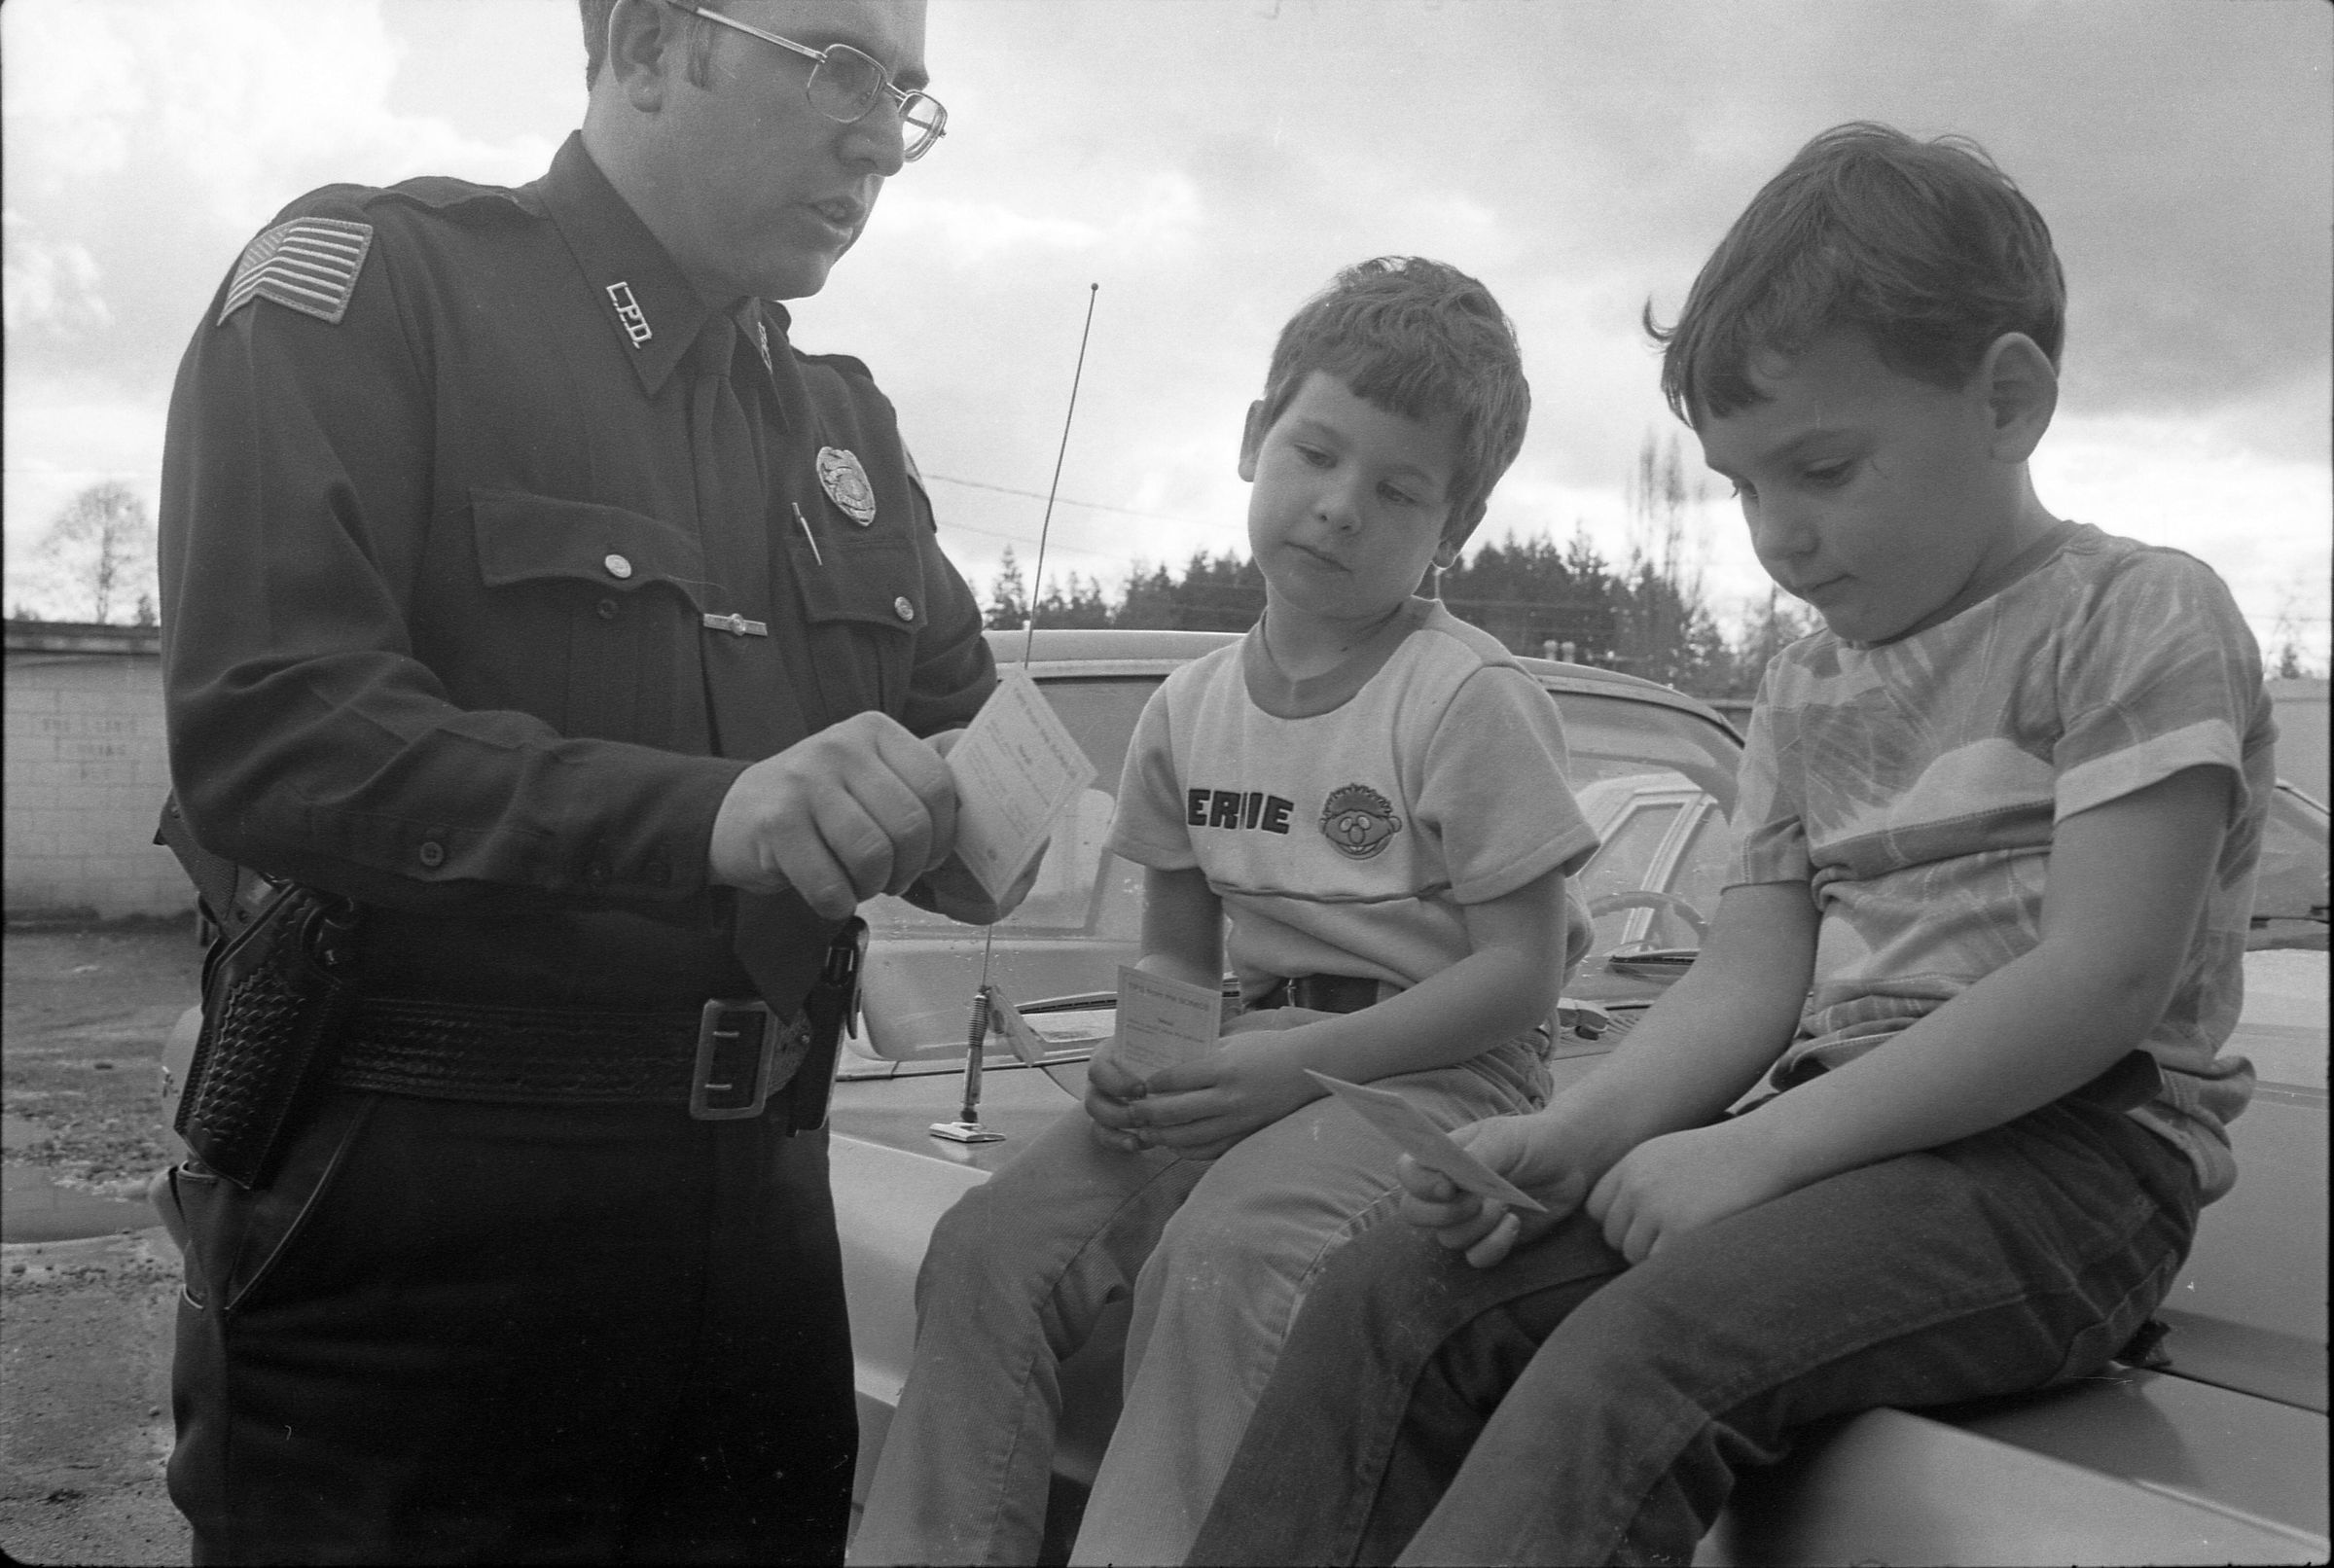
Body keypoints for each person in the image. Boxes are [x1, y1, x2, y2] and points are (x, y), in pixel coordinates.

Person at [1186, 123, 2276, 1567]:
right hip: (1835, 1141)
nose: (1779, 536)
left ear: (2007, 399)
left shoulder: (2134, 615)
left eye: (1822, 468)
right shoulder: (1806, 685)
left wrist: (1756, 1155)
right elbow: (1748, 978)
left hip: (2072, 1162)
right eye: (1746, 486)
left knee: (1637, 1355)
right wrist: (1576, 1137)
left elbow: (2100, 983)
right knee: (1401, 1276)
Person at [153, 2, 1022, 1561]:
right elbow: (276, 727)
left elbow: (970, 742)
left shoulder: (844, 428)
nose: (882, 137)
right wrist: (711, 812)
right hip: (418, 1256)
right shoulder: (376, 293)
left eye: (906, 92)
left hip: (763, 1246)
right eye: (834, 62)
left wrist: (993, 799)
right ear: (645, 44)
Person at [850, 257, 1601, 1568]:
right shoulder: (1188, 711)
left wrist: (1289, 1067)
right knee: (988, 1247)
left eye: (1399, 490)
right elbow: (1180, 960)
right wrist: (1146, 1067)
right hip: (1250, 1055)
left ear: (1458, 524)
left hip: (1443, 1074)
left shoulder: (1462, 698)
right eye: (1315, 452)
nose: (1339, 506)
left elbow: (1522, 977)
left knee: (1229, 1256)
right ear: (1256, 436)